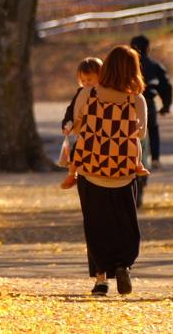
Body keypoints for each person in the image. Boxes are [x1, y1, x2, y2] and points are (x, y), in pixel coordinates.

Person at [69, 45, 148, 296]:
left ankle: (101, 280)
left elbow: (76, 127)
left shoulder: (87, 94)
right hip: (124, 172)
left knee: (95, 225)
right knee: (124, 223)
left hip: (91, 171)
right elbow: (142, 133)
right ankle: (123, 263)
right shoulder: (136, 99)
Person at [130, 35, 173, 170]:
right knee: (152, 128)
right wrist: (166, 105)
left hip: (129, 103)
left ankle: (133, 158)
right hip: (149, 102)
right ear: (148, 49)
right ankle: (155, 159)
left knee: (130, 131)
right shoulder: (155, 66)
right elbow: (167, 86)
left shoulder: (127, 67)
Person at [59, 56, 102, 189]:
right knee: (77, 150)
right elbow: (71, 109)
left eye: (90, 79)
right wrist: (67, 124)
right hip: (85, 131)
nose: (86, 83)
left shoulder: (105, 92)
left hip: (102, 130)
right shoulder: (81, 93)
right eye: (82, 80)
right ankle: (72, 174)